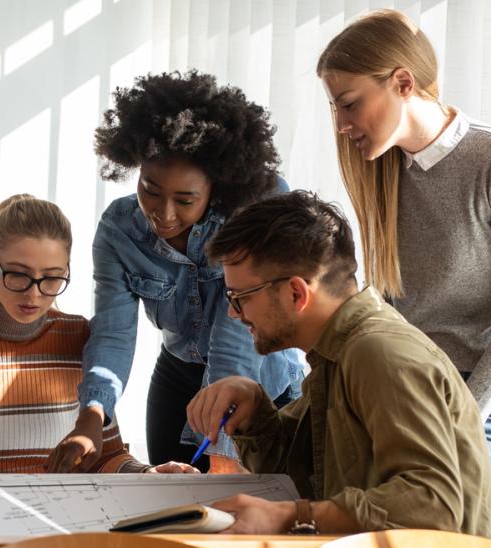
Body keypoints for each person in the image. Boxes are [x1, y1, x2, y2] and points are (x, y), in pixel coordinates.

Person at [317, 9, 491, 514]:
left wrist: (463, 415)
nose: (340, 125)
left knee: (448, 521)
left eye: (349, 104)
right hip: (412, 389)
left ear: (402, 82)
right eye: (335, 109)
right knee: (365, 527)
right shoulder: (384, 174)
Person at [188, 191, 491, 536]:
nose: (233, 312)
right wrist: (255, 410)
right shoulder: (337, 353)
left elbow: (433, 504)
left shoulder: (379, 353)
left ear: (296, 293)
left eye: (240, 298)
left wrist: (291, 516)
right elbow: (301, 472)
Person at [50, 70, 305, 473]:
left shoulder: (248, 217)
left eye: (185, 200)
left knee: (244, 511)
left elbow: (234, 345)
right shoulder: (119, 231)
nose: (163, 215)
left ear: (215, 189)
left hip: (260, 381)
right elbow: (114, 332)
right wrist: (91, 417)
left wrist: (222, 453)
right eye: (150, 190)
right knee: (171, 505)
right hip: (178, 377)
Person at [0, 194, 196, 475]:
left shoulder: (81, 337)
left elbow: (107, 459)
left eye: (52, 279)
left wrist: (148, 474)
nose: (34, 294)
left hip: (58, 527)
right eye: (18, 275)